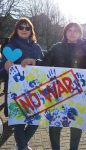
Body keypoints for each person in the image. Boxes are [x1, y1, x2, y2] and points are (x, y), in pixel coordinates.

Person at [21, 22, 86, 150]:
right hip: (58, 92)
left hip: (78, 94)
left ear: (80, 34)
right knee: (55, 124)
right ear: (65, 32)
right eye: (70, 30)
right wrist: (34, 62)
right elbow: (45, 63)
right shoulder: (57, 47)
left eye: (75, 31)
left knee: (76, 125)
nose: (72, 33)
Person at [3, 17, 43, 150]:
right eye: (21, 27)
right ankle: (22, 146)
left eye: (28, 28)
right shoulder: (9, 47)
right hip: (15, 92)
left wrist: (36, 61)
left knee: (35, 121)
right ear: (16, 30)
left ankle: (21, 144)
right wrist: (5, 68)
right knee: (18, 122)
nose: (24, 30)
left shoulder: (36, 47)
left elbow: (44, 66)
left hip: (34, 91)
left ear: (31, 31)